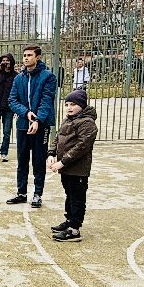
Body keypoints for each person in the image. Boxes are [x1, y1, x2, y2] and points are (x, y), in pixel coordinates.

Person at [5, 44, 57, 209]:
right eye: (25, 55)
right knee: (22, 160)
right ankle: (21, 193)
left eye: (29, 55)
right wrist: (26, 113)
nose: (26, 58)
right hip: (22, 125)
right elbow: (12, 100)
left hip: (40, 126)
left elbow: (46, 101)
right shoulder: (19, 78)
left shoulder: (48, 76)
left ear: (38, 57)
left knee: (39, 160)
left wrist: (37, 120)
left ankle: (37, 194)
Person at [47, 88, 97, 243]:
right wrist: (51, 154)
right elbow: (58, 138)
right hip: (66, 168)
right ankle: (69, 220)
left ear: (82, 105)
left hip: (78, 170)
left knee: (77, 198)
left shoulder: (87, 123)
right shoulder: (68, 119)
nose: (69, 107)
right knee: (69, 195)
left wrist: (62, 162)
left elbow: (81, 147)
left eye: (73, 104)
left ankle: (74, 229)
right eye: (67, 104)